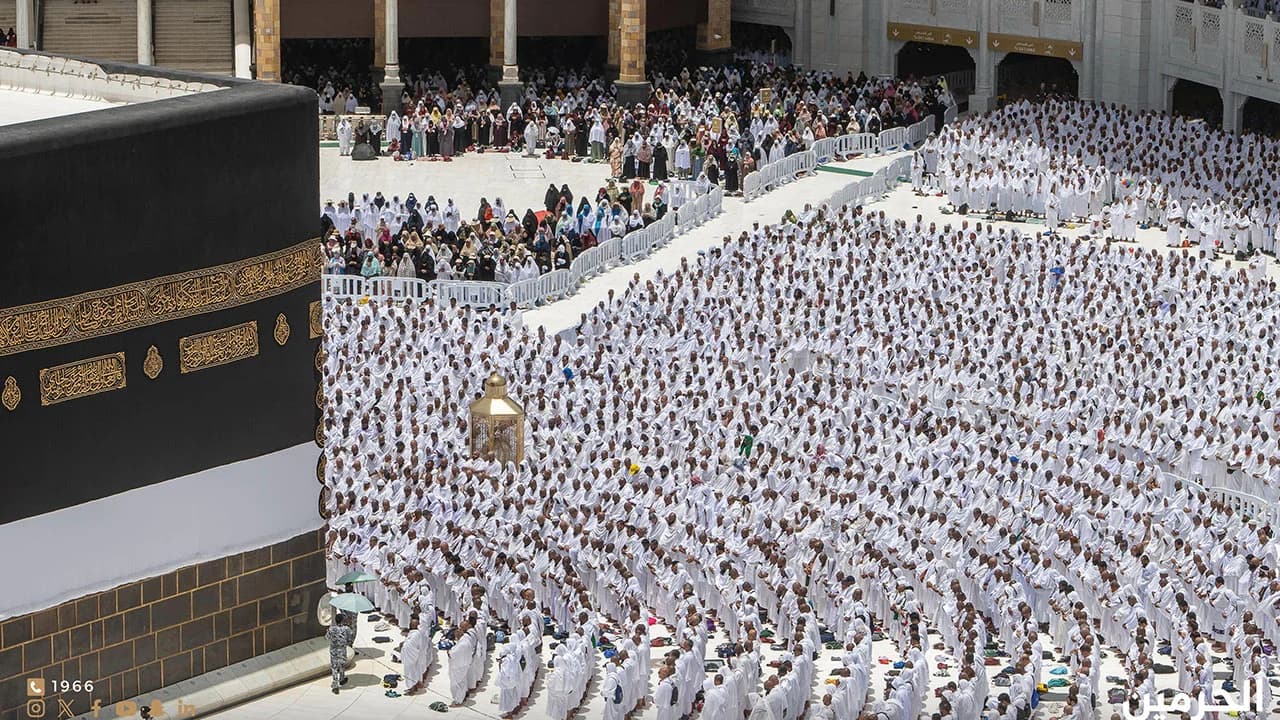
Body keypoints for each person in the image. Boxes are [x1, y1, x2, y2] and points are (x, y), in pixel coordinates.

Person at [327, 613, 354, 694]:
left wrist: (328, 632)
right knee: (342, 665)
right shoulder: (347, 629)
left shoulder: (331, 629)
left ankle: (335, 684)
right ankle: (342, 679)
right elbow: (350, 640)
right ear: (342, 620)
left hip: (333, 650)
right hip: (342, 650)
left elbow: (326, 638)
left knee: (334, 667)